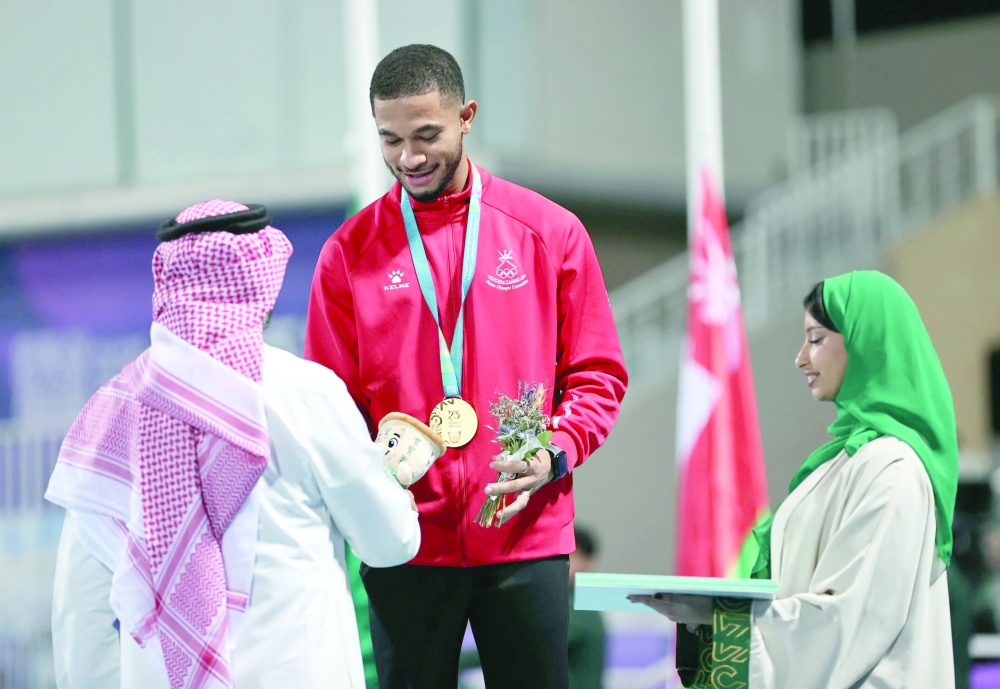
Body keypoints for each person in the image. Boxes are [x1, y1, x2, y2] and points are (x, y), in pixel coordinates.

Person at [305, 44, 628, 689]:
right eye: (390, 140)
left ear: (467, 117)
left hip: (524, 531)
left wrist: (556, 451)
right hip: (404, 545)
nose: (409, 158)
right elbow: (329, 404)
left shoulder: (548, 233)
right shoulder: (349, 254)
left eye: (427, 135)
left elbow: (599, 375)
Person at [46, 200, 421, 689]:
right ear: (262, 288)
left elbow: (80, 605)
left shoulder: (115, 410)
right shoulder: (305, 391)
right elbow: (390, 542)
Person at [632, 270, 958, 688]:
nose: (801, 357)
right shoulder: (843, 461)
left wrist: (721, 614)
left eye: (817, 338)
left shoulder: (892, 469)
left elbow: (848, 621)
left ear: (866, 341)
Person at [568, 526, 607, 689]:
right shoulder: (581, 605)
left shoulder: (580, 610)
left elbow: (528, 646)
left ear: (587, 561)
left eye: (570, 556)